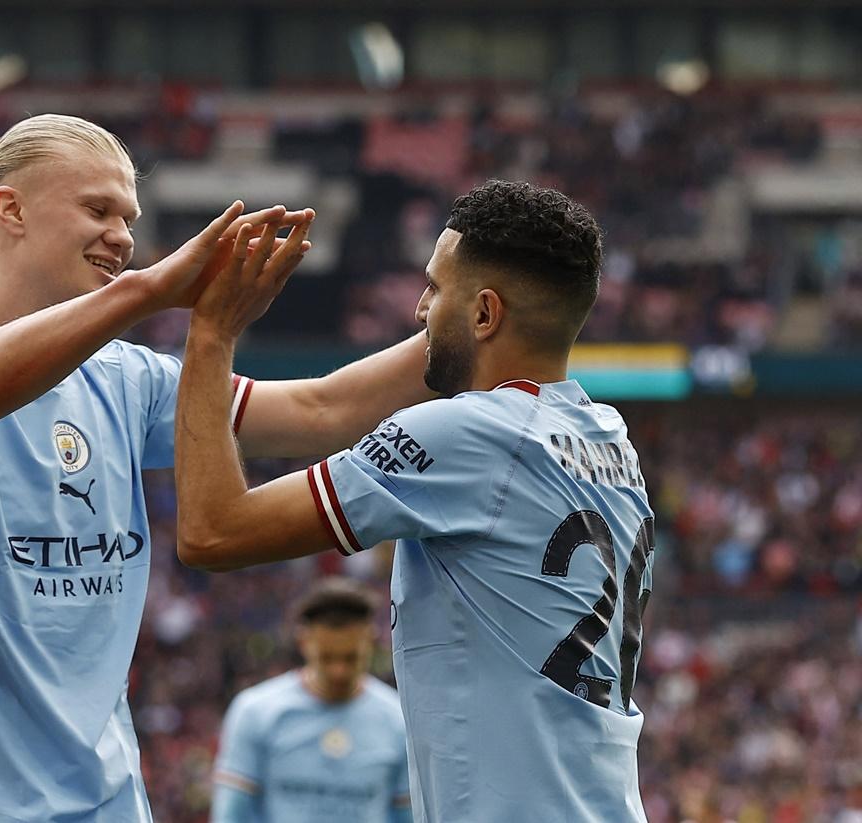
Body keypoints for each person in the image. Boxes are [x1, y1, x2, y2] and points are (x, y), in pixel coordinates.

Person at [0, 113, 434, 823]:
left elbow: (319, 409)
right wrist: (146, 293)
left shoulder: (126, 378)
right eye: (97, 209)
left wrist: (468, 328)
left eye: (129, 216)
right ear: (10, 209)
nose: (122, 236)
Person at [172, 180, 657, 822]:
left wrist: (211, 332)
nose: (419, 308)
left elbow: (212, 532)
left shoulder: (468, 435)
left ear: (484, 314)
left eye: (433, 287)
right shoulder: (607, 438)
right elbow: (331, 405)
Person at [211, 578, 410, 823]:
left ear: (371, 640)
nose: (339, 671)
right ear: (303, 641)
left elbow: (407, 817)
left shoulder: (398, 721)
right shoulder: (255, 712)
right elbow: (232, 814)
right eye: (326, 658)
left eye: (350, 658)